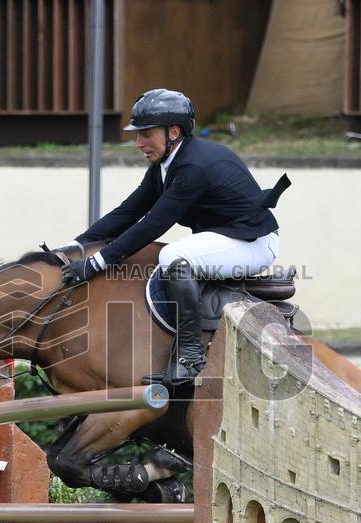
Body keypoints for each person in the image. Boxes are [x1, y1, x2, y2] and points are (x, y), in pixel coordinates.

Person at [60, 88, 289, 386]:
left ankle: (191, 356)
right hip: (229, 238)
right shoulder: (165, 165)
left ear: (174, 132)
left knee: (173, 257)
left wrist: (95, 264)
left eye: (146, 135)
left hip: (253, 244)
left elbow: (153, 224)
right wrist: (76, 246)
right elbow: (128, 212)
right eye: (138, 135)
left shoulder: (193, 166)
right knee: (167, 255)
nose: (139, 143)